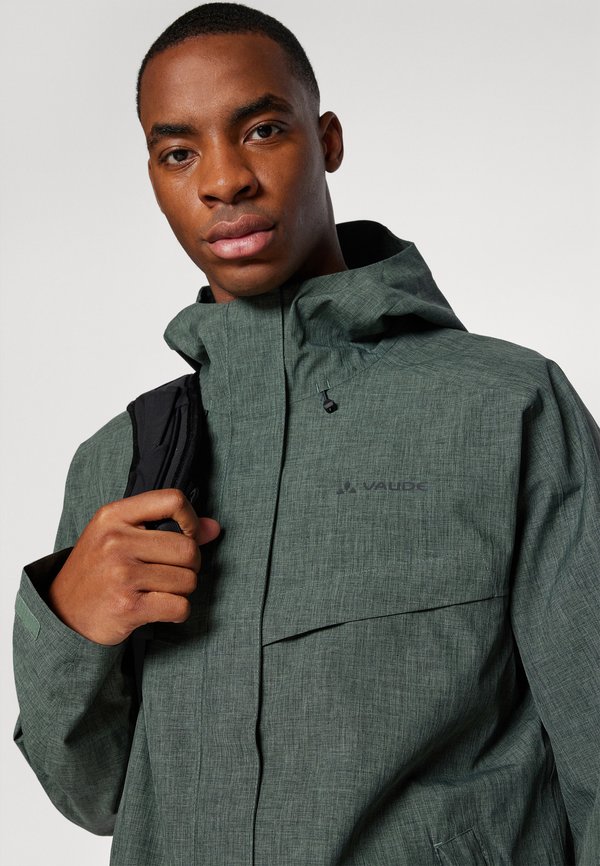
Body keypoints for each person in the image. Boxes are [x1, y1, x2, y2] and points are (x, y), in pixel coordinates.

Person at [12, 3, 600, 864]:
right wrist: (68, 624)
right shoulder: (121, 464)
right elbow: (93, 796)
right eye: (179, 152)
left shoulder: (506, 406)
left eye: (261, 130)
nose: (224, 181)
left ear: (326, 141)